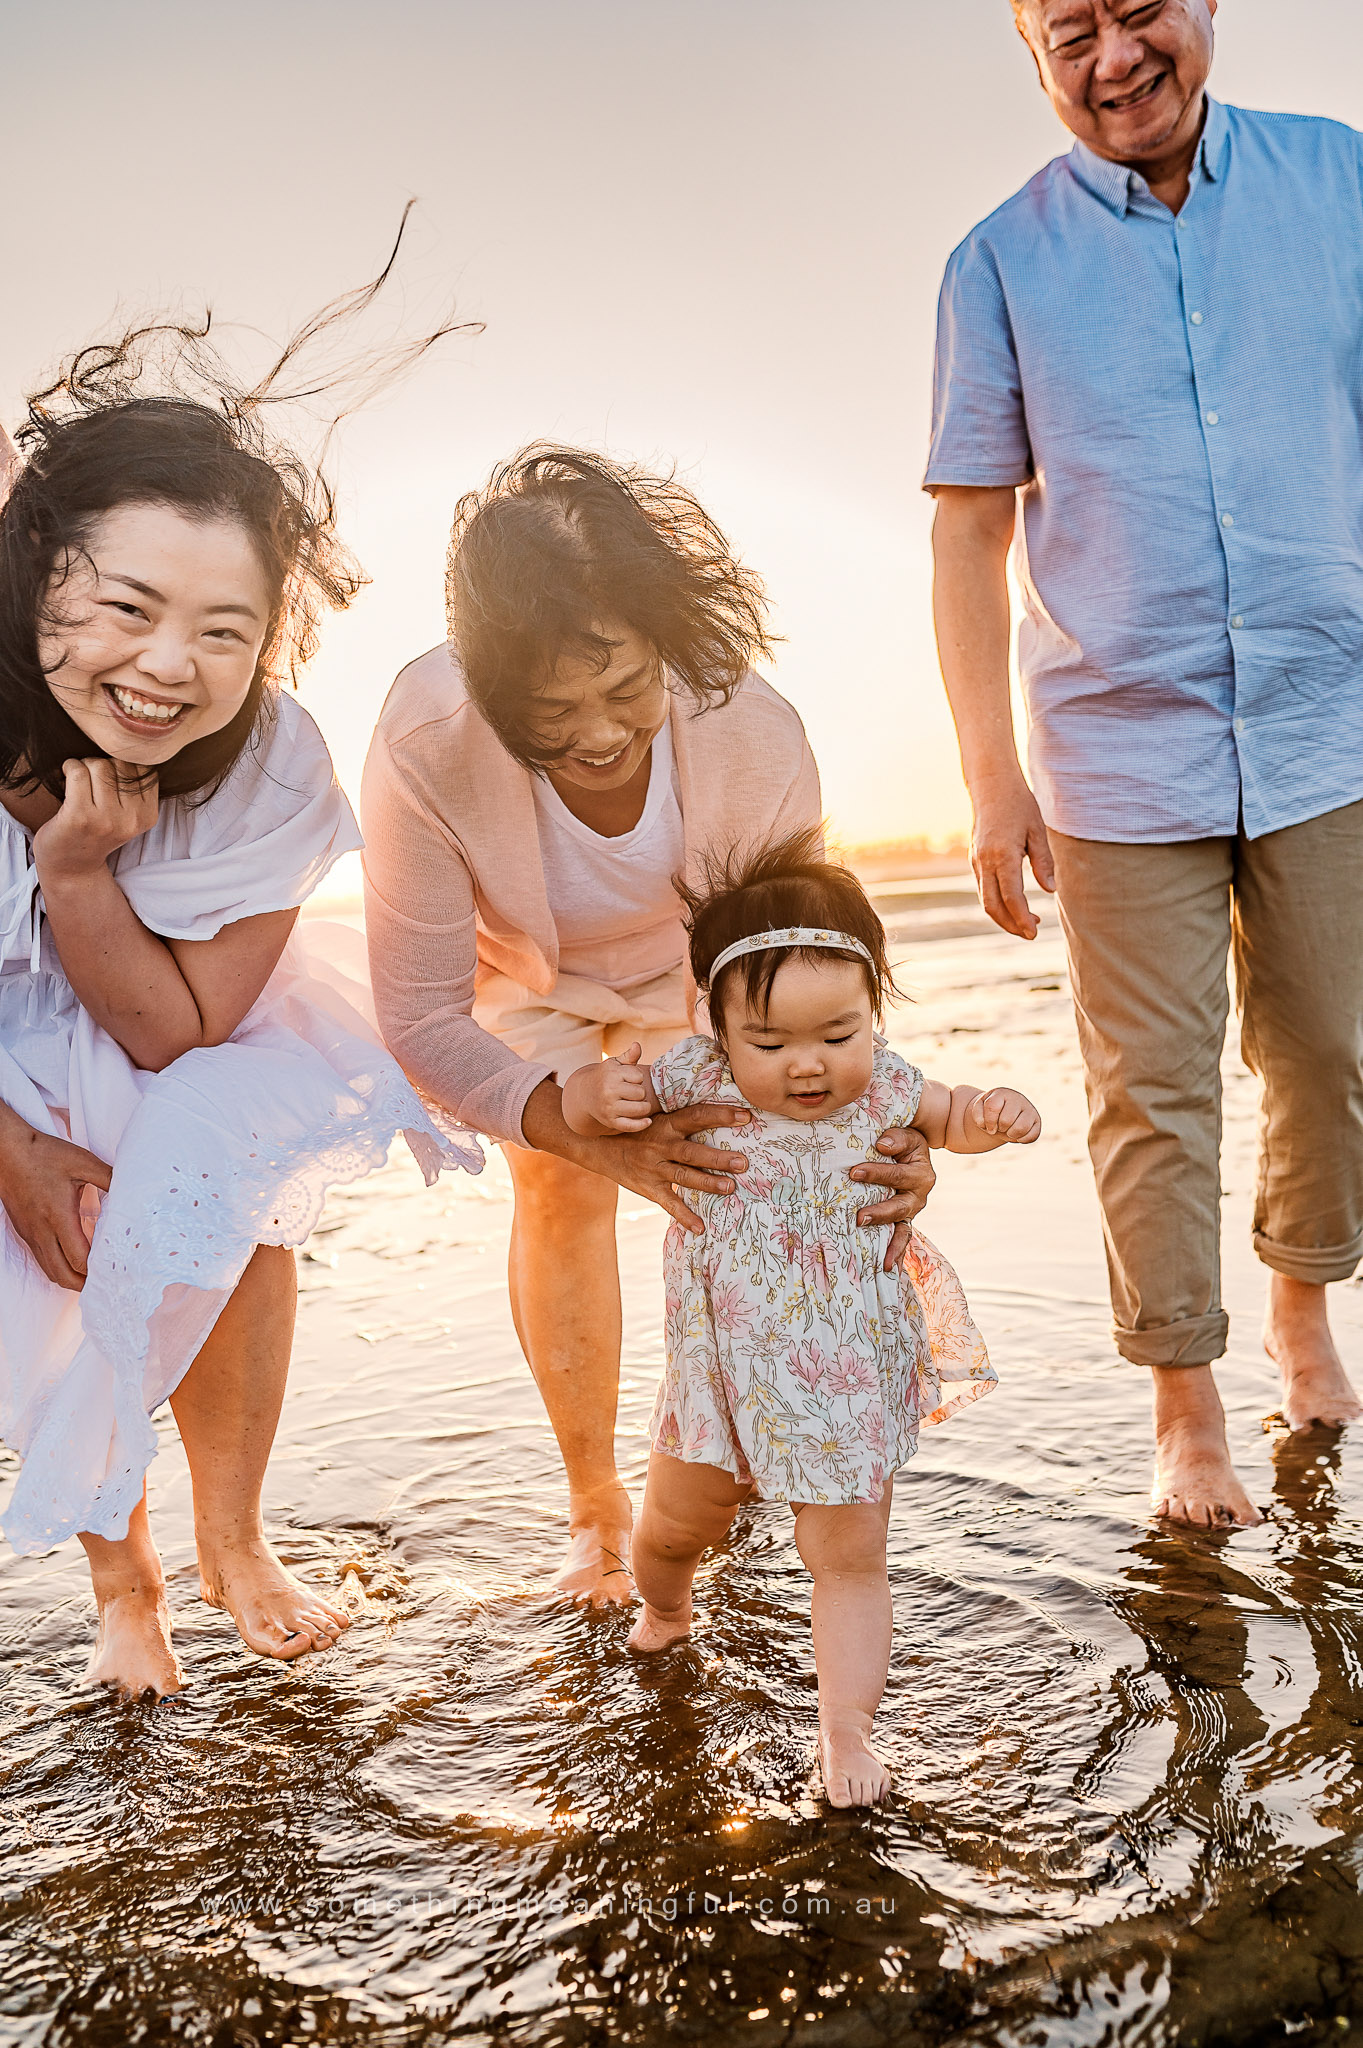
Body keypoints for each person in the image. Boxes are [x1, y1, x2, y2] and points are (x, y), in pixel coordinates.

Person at [927, 0, 1363, 1529]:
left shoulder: (1337, 182)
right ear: (1030, 61)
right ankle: (1184, 1407)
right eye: (1067, 33)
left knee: (1326, 1049)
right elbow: (967, 531)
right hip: (1115, 748)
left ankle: (1301, 1304)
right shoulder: (996, 263)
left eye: (1135, 12)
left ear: (1203, 11)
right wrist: (989, 781)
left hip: (1328, 718)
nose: (1112, 56)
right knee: (1150, 1089)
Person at [361, 448, 937, 1605]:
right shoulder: (424, 740)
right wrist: (568, 1120)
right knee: (557, 1183)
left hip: (712, 966)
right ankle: (592, 1503)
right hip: (530, 974)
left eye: (624, 687)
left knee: (757, 1173)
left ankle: (754, 1453)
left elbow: (798, 956)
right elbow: (419, 1012)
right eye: (550, 709)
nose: (597, 732)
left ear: (665, 635)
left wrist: (875, 1118)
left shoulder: (751, 724)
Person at [0, 314, 480, 1701]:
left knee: (218, 1203)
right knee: (60, 1274)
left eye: (226, 630)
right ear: (33, 578)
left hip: (196, 1015)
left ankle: (233, 1539)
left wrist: (80, 874)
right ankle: (125, 1589)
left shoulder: (268, 758)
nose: (168, 668)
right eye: (129, 609)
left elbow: (177, 1033)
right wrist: (14, 1152)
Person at [561, 832, 1037, 1805]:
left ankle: (845, 1730)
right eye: (771, 1043)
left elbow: (951, 1111)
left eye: (839, 1033)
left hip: (841, 1378)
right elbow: (605, 1106)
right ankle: (665, 1604)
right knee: (672, 1525)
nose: (809, 1065)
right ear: (719, 1028)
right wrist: (588, 1088)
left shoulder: (890, 1086)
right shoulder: (695, 1081)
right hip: (720, 1379)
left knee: (849, 1558)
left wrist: (990, 1111)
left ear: (874, 1009)